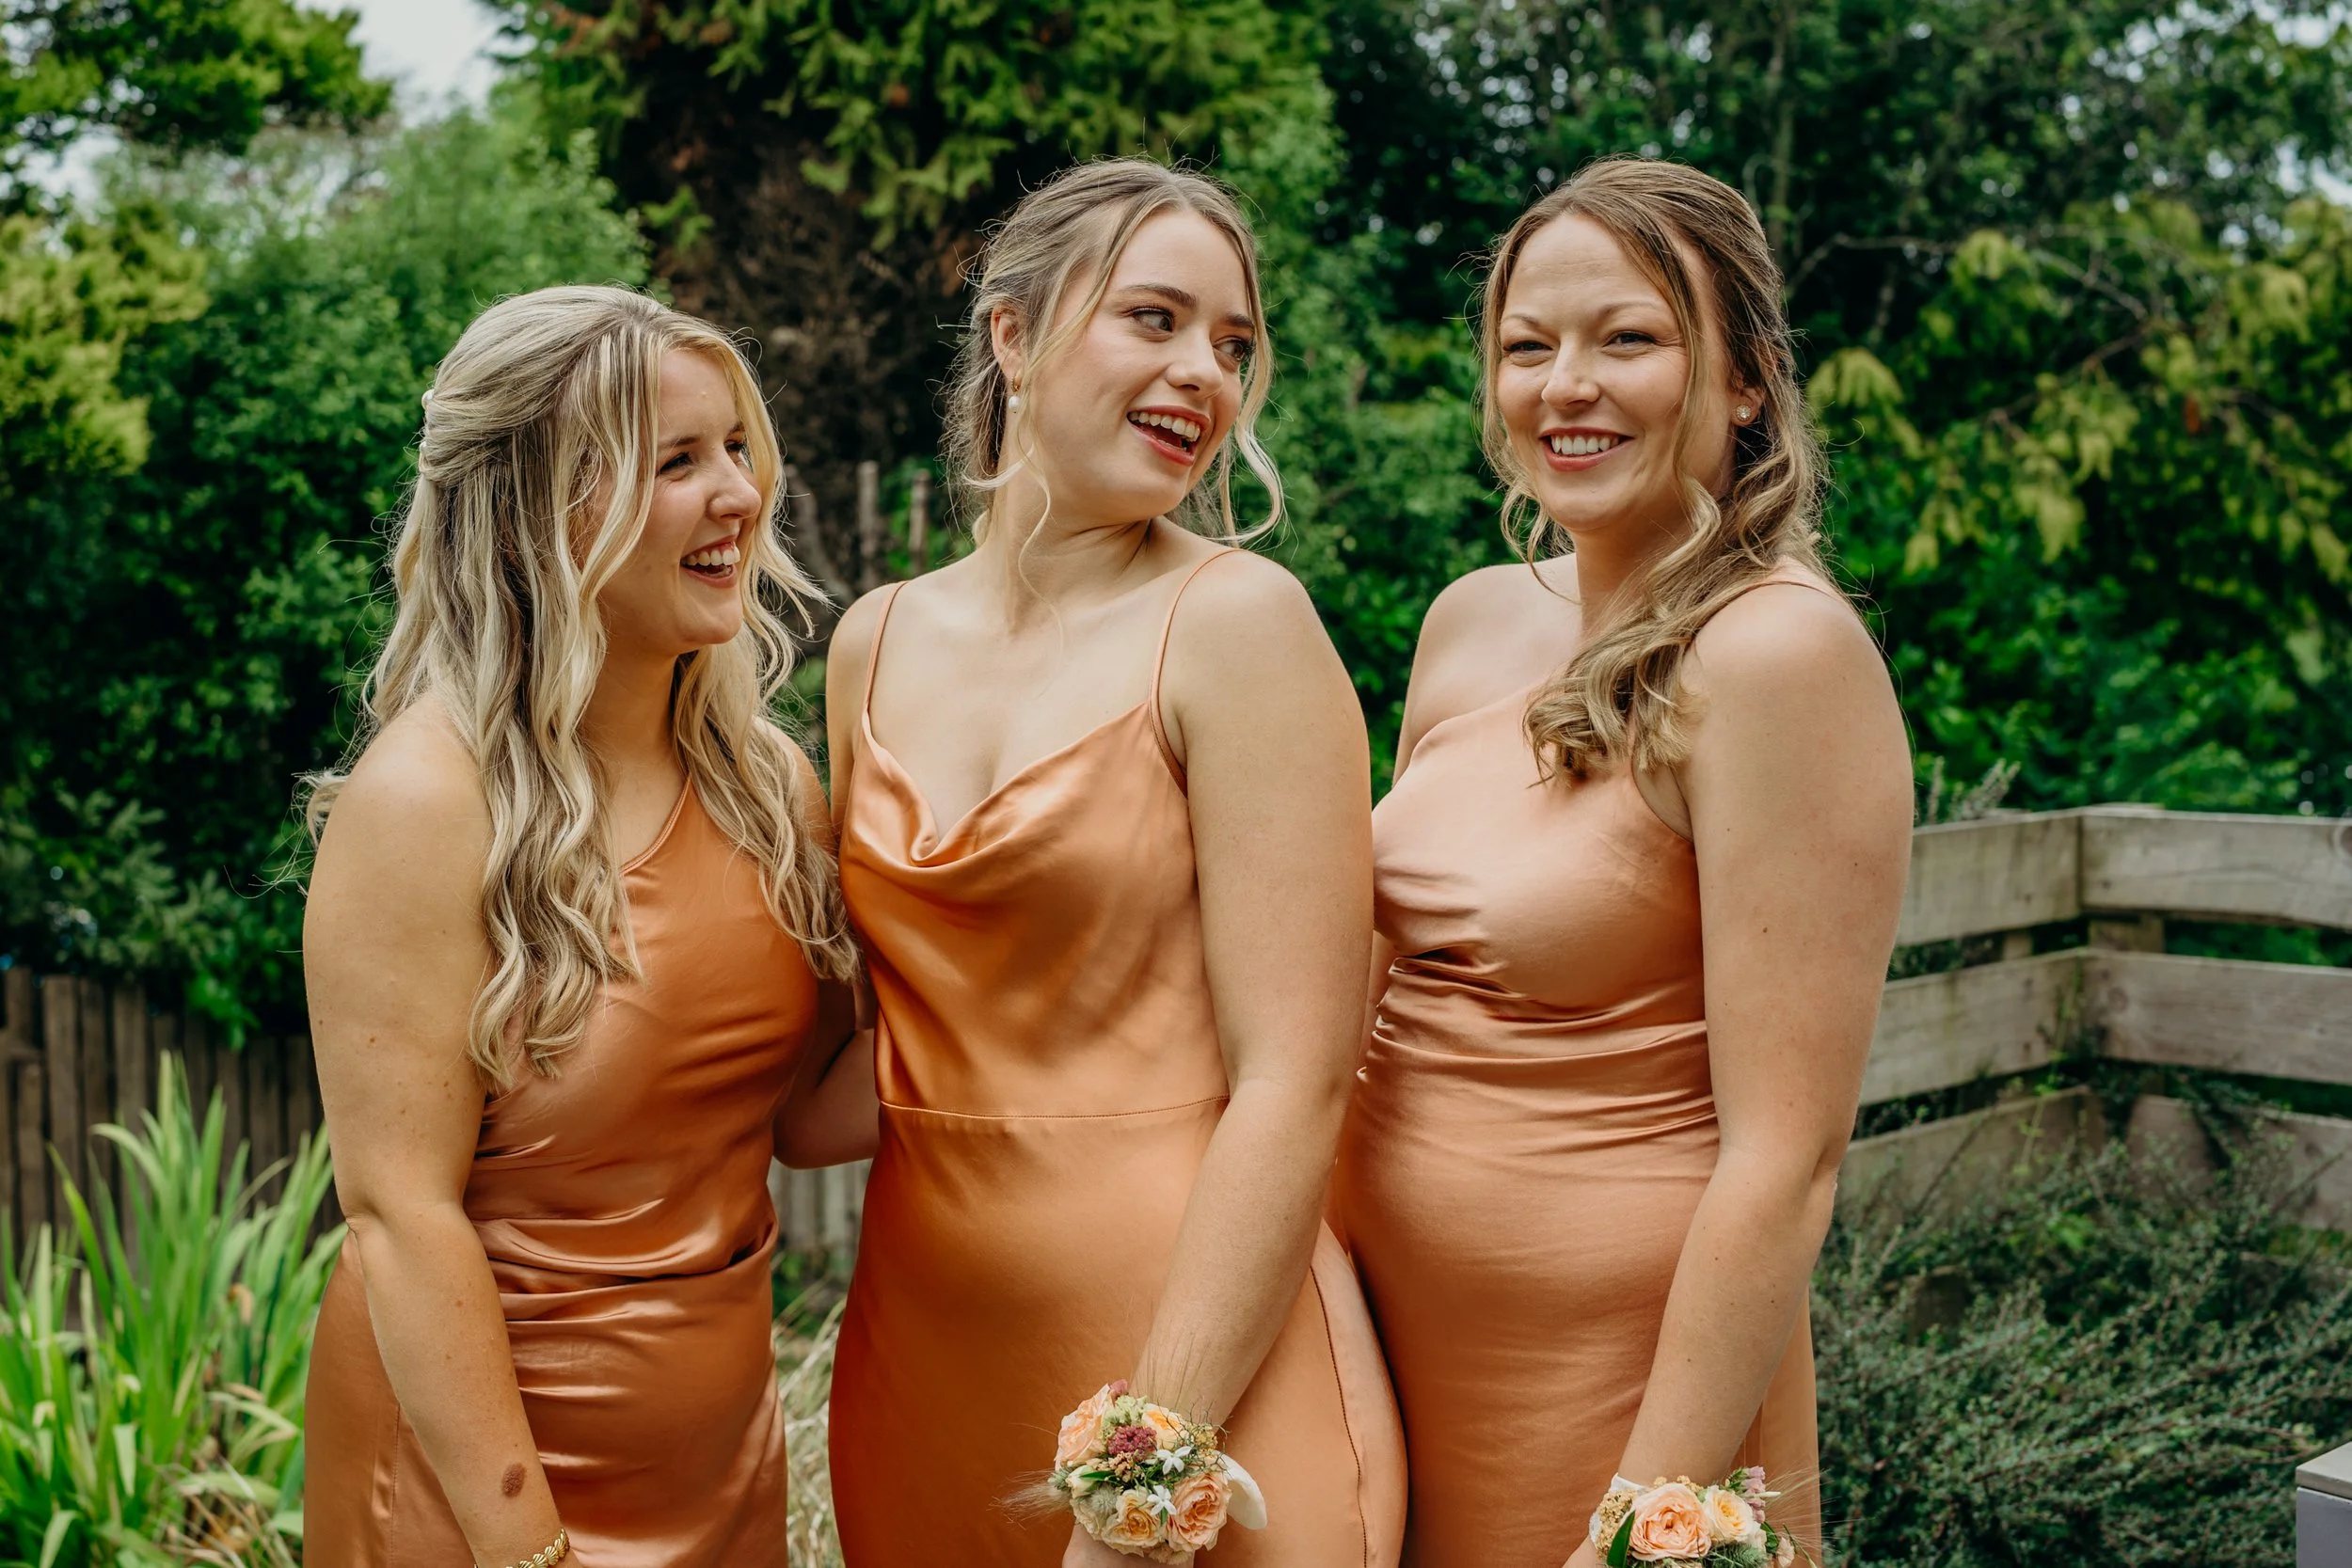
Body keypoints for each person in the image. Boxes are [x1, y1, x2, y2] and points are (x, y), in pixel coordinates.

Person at [1330, 157, 1914, 1567]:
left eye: (1629, 338)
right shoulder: (1468, 622)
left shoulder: (1783, 655)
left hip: (1611, 1393)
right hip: (1378, 1351)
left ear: (1748, 379)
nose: (1564, 385)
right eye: (1527, 347)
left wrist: (1644, 1517)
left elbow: (1789, 1158)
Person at [822, 157, 1406, 1567]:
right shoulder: (871, 643)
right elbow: (863, 1041)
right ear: (1013, 333)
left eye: (1234, 343)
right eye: (1155, 318)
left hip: (1202, 1372)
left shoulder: (1238, 626)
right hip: (924, 1366)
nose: (1203, 371)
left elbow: (1297, 1077)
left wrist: (1151, 1470)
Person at [300, 285, 867, 1566]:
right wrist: (527, 1550)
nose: (740, 493)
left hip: (717, 1452)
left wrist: (1064, 991)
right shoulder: (424, 803)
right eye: (677, 462)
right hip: (479, 1486)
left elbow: (808, 1112)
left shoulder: (767, 785)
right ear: (541, 511)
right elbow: (399, 1211)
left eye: (735, 447)